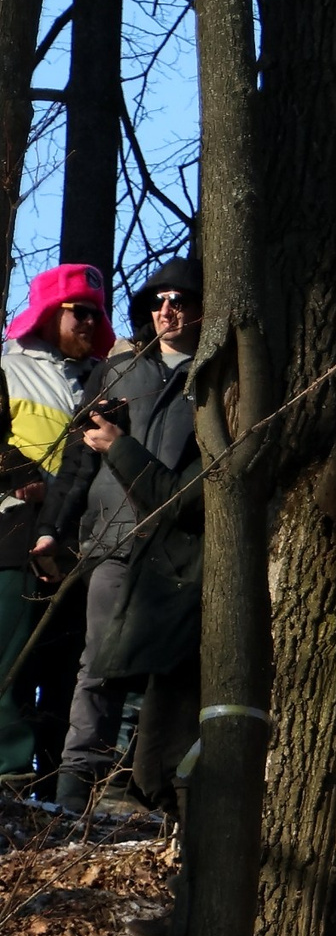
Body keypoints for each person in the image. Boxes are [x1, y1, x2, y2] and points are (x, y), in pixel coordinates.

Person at [39, 260, 199, 813]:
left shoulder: (217, 375)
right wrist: (51, 529)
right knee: (99, 667)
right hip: (112, 538)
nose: (167, 310)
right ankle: (73, 794)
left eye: (180, 299)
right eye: (157, 301)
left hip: (179, 547)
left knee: (162, 673)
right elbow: (80, 458)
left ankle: (135, 792)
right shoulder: (120, 368)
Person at [0, 264, 107, 779]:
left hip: (82, 543)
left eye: (97, 314)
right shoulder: (7, 367)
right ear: (48, 312)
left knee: (69, 671)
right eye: (79, 311)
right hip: (14, 536)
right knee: (11, 665)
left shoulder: (104, 378)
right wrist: (23, 473)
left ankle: (55, 784)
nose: (90, 322)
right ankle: (11, 778)